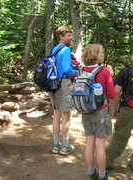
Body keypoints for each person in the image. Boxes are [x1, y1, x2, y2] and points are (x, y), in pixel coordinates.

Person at [81, 44, 115, 180]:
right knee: (100, 145)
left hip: (85, 111)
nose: (103, 54)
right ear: (95, 55)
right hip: (100, 111)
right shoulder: (104, 71)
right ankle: (102, 175)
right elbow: (112, 94)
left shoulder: (81, 71)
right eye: (102, 52)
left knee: (89, 143)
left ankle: (91, 173)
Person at [49, 26, 78, 155]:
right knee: (66, 116)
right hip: (64, 83)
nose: (70, 38)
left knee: (56, 115)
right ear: (61, 36)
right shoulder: (65, 49)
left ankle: (56, 146)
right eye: (68, 35)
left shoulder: (54, 50)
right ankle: (65, 147)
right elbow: (67, 69)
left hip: (53, 84)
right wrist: (77, 72)